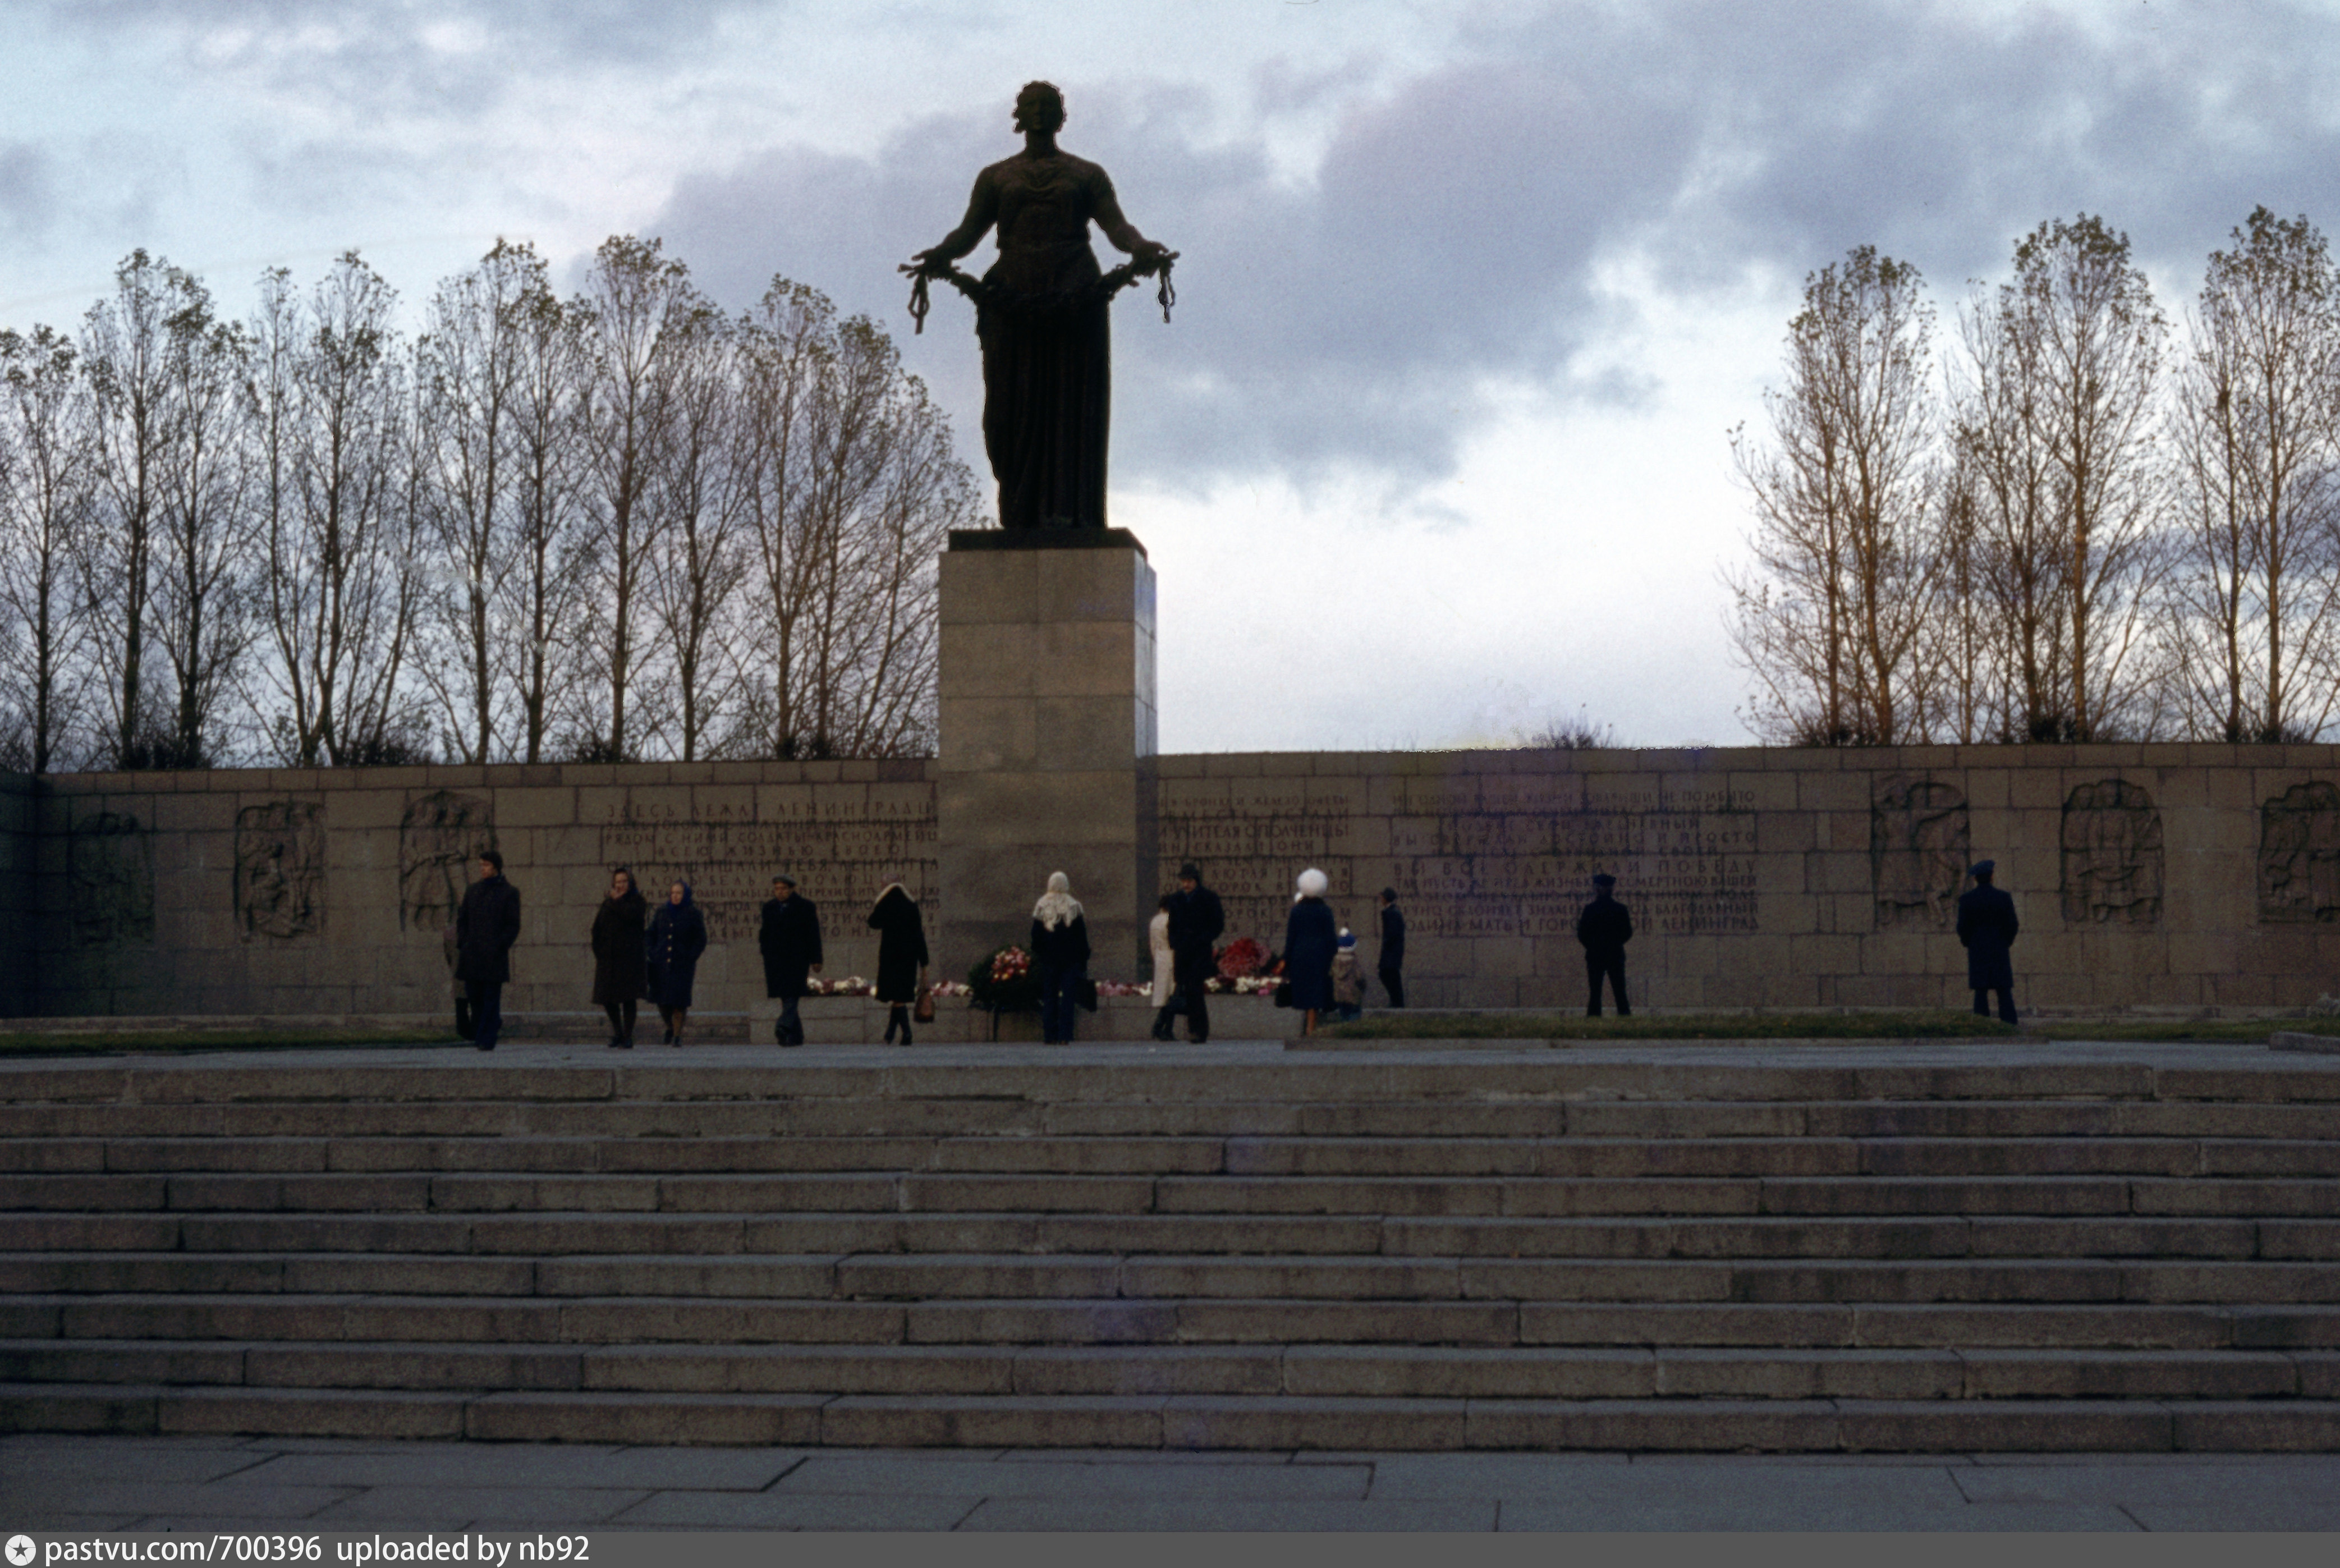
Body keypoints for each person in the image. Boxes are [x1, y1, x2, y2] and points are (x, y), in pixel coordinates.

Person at [906, 81, 1174, 530]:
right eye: (1030, 106)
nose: (1039, 112)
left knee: (1071, 405)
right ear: (1018, 115)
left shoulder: (1087, 175)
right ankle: (1020, 511)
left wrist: (1141, 247)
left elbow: (1117, 227)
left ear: (1061, 116)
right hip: (1012, 296)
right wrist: (940, 256)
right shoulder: (996, 177)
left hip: (1075, 293)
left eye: (1048, 106)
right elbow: (968, 233)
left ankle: (1067, 513)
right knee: (1008, 412)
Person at [453, 849, 521, 1052]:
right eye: (481, 865)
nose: (482, 869)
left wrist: (499, 945)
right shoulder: (473, 891)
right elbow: (462, 920)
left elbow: (513, 925)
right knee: (475, 998)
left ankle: (486, 1038)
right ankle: (485, 1030)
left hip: (493, 957)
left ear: (496, 868)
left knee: (491, 998)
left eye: (487, 865)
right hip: (472, 955)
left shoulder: (509, 893)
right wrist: (464, 942)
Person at [759, 874, 824, 1047]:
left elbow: (813, 934)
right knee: (785, 996)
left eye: (783, 889)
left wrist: (816, 959)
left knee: (792, 995)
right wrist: (766, 952)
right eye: (777, 889)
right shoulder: (769, 908)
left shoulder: (805, 907)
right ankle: (796, 1037)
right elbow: (764, 934)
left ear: (791, 890)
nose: (780, 893)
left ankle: (783, 1027)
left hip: (797, 959)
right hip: (775, 960)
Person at [1030, 872, 1092, 1044]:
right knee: (1068, 998)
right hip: (1070, 960)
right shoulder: (1074, 906)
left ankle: (1049, 1035)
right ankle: (1065, 1036)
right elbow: (1081, 935)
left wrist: (1040, 953)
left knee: (1049, 996)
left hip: (1049, 960)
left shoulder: (1042, 905)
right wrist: (1083, 958)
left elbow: (1036, 935)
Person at [1166, 862, 1224, 1044]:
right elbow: (1172, 925)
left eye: (1189, 881)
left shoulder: (1209, 898)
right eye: (1183, 880)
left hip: (1199, 951)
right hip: (1183, 951)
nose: (1186, 885)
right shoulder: (1176, 899)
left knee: (1195, 990)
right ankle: (1195, 1028)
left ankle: (1199, 1030)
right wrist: (1175, 942)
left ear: (1196, 880)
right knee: (1188, 991)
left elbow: (1217, 924)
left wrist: (1204, 938)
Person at [590, 866, 648, 1049]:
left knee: (628, 998)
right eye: (618, 882)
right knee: (608, 999)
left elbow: (632, 916)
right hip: (608, 959)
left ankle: (628, 1036)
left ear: (630, 883)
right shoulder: (608, 903)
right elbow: (596, 929)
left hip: (629, 959)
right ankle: (618, 1033)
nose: (621, 885)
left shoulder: (637, 901)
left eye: (624, 881)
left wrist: (617, 902)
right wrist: (599, 951)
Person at [1957, 859, 2021, 1024]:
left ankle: (1982, 1026)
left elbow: (1962, 927)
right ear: (1991, 876)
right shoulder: (2003, 897)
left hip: (1978, 950)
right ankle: (2009, 1026)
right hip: (1999, 949)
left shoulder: (1967, 900)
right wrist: (2006, 942)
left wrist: (1969, 943)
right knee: (2004, 992)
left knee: (1980, 992)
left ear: (1976, 879)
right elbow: (2013, 924)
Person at [869, 881, 930, 1047]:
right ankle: (890, 1033)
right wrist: (924, 962)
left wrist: (879, 902)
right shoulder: (911, 906)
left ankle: (907, 1033)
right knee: (899, 997)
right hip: (908, 958)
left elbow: (872, 922)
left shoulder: (886, 905)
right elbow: (919, 935)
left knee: (898, 998)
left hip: (891, 957)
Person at [646, 881, 708, 1047]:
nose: (675, 896)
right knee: (662, 1001)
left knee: (679, 1002)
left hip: (682, 965)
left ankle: (678, 1035)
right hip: (661, 964)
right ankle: (670, 1027)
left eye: (679, 893)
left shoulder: (693, 913)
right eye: (673, 893)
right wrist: (652, 952)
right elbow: (651, 934)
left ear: (685, 894)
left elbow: (700, 939)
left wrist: (690, 956)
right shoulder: (662, 912)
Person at [1284, 867, 1339, 1037]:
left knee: (1307, 993)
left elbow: (1291, 937)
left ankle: (1309, 1026)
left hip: (1300, 955)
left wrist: (1287, 959)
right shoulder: (1325, 911)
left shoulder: (1296, 911)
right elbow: (1331, 937)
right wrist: (1334, 955)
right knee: (1318, 992)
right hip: (1321, 956)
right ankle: (1311, 1027)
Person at [1578, 872, 1633, 1018]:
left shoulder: (1618, 909)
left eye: (1609, 887)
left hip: (1605, 954)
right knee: (1596, 991)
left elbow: (1627, 932)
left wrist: (1598, 945)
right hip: (1606, 954)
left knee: (1619, 990)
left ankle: (1622, 1016)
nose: (1607, 889)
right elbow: (1582, 933)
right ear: (1597, 888)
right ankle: (1598, 1017)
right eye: (1604, 887)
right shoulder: (1592, 910)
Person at [1147, 892, 1177, 1041]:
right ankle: (1161, 1027)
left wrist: (1157, 958)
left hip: (1160, 958)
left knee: (1166, 995)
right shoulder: (1171, 920)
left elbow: (1153, 944)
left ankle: (1164, 1029)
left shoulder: (1154, 921)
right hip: (1172, 957)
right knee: (1172, 995)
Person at [440, 920, 472, 1040]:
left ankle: (463, 1032)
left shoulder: (450, 933)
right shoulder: (475, 930)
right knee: (473, 1003)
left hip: (458, 971)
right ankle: (473, 1031)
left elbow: (448, 954)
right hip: (471, 971)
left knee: (461, 1004)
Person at [1377, 887, 1407, 1008]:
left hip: (1392, 951)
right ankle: (1396, 1002)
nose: (1381, 899)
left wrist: (1387, 943)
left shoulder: (1392, 913)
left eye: (1382, 896)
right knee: (1389, 974)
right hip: (1392, 951)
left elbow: (1393, 933)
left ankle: (1397, 1003)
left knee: (1389, 974)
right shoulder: (1391, 912)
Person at [1330, 928, 1365, 1024]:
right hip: (1353, 995)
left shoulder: (1335, 961)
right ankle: (1352, 1032)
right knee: (1354, 1016)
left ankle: (1344, 1029)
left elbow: (1331, 974)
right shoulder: (1353, 961)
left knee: (1343, 1015)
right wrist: (1363, 988)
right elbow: (1360, 977)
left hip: (1339, 995)